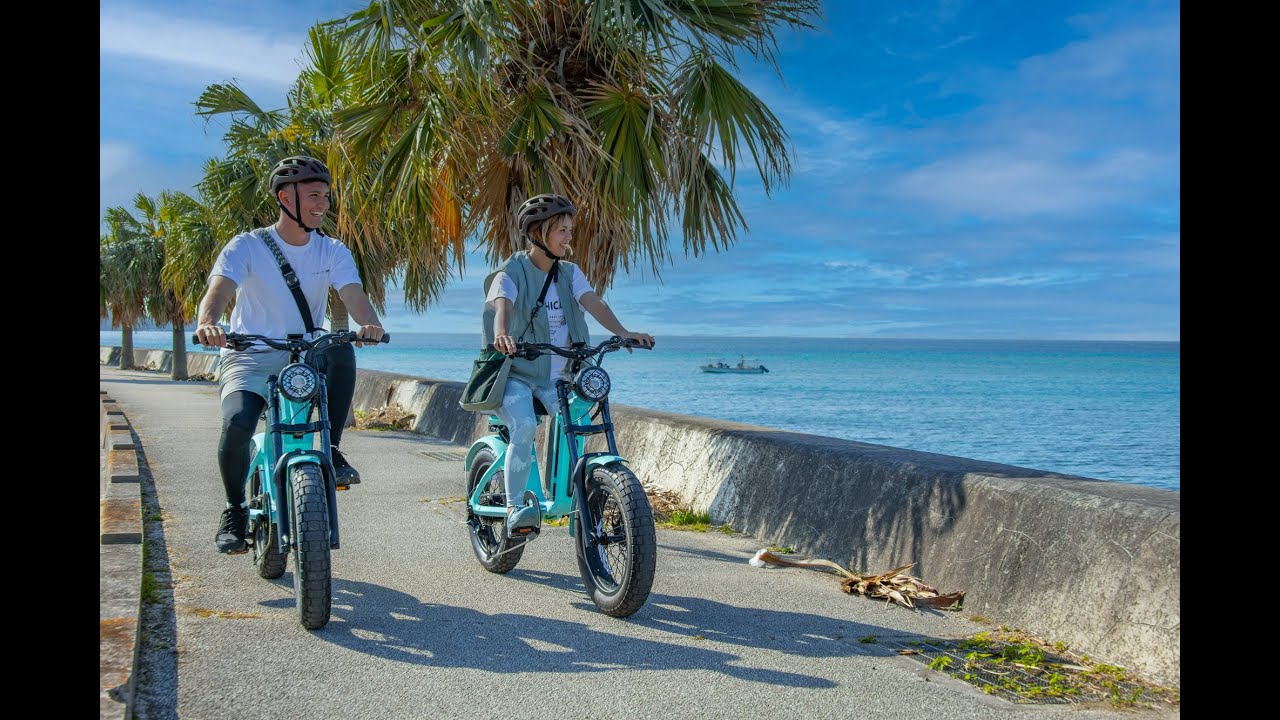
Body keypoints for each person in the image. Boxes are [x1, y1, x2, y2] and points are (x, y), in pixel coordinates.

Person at [194, 155, 385, 554]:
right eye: (314, 196)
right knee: (238, 423)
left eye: (327, 197)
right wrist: (209, 322)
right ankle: (234, 510)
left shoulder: (332, 250)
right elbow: (219, 290)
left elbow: (354, 296)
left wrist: (370, 324)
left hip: (304, 354)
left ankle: (330, 448)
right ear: (285, 197)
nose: (323, 205)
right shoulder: (247, 246)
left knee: (340, 350)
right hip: (250, 352)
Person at [482, 193, 655, 538]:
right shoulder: (511, 271)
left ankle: (579, 496)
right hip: (517, 373)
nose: (567, 237)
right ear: (538, 232)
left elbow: (593, 302)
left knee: (578, 424)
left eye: (568, 230)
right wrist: (502, 334)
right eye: (561, 230)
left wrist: (622, 333)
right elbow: (502, 304)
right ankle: (516, 505)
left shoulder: (570, 273)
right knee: (526, 425)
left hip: (560, 376)